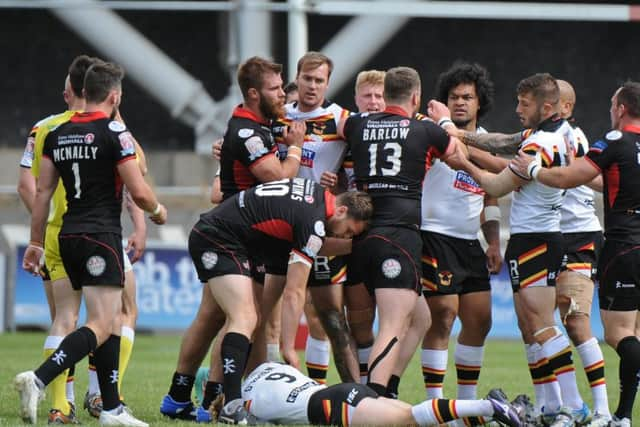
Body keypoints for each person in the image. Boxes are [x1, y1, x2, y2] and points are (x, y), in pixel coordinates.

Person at [16, 61, 166, 427]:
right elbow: (139, 188)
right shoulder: (115, 132)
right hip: (100, 236)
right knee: (102, 322)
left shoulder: (56, 134)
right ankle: (38, 379)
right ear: (114, 96)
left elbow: (42, 193)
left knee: (93, 318)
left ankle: (111, 409)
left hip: (65, 236)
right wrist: (158, 211)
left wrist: (35, 242)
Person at [160, 56, 305, 422]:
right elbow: (276, 179)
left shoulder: (260, 126)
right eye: (275, 89)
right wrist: (298, 149)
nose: (282, 95)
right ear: (254, 93)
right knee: (243, 317)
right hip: (229, 235)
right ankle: (223, 401)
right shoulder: (245, 131)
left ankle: (182, 397)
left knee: (213, 318)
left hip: (247, 236)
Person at [439, 73, 588, 426]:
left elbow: (495, 184)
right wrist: (460, 134)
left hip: (536, 239)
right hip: (537, 236)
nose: (517, 109)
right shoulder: (562, 133)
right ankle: (551, 405)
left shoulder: (539, 146)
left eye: (524, 104)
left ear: (546, 107)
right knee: (530, 325)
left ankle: (575, 403)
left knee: (541, 325)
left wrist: (462, 162)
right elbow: (502, 140)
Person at [187, 178, 372, 424]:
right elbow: (294, 292)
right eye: (348, 230)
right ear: (341, 210)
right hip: (219, 239)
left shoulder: (314, 196)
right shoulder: (314, 222)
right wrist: (288, 347)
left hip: (231, 238)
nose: (345, 236)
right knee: (244, 318)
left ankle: (215, 396)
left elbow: (315, 245)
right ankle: (230, 405)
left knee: (250, 320)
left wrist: (353, 247)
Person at [511, 80, 640, 427]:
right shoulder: (549, 138)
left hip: (593, 238)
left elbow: (570, 177)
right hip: (569, 235)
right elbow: (598, 179)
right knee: (533, 324)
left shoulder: (600, 140)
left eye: (613, 105)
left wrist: (533, 171)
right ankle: (557, 407)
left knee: (594, 327)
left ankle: (598, 411)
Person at [343, 66, 463, 397]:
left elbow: (331, 131)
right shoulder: (425, 130)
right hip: (398, 236)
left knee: (420, 318)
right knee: (393, 326)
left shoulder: (357, 124)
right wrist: (445, 121)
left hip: (359, 235)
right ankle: (374, 398)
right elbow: (459, 154)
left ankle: (387, 387)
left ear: (385, 95)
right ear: (416, 97)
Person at [269, 52, 358, 384]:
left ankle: (342, 392)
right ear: (298, 77)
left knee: (330, 319)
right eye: (307, 78)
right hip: (276, 226)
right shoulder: (278, 116)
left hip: (318, 228)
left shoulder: (342, 120)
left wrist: (340, 187)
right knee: (264, 317)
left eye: (319, 80)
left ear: (328, 83)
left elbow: (358, 170)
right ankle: (261, 389)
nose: (312, 85)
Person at [420, 63, 502, 416]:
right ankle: (435, 404)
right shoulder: (431, 133)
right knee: (443, 315)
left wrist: (494, 241)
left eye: (467, 97)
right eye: (453, 97)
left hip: (471, 241)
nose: (460, 103)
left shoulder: (485, 139)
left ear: (479, 101)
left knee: (481, 320)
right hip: (434, 235)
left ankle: (466, 405)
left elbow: (491, 196)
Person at [234, 362, 522, 427]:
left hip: (331, 407)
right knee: (418, 421)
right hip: (342, 391)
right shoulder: (272, 367)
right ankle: (492, 415)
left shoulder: (246, 400)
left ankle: (488, 406)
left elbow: (253, 421)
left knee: (411, 419)